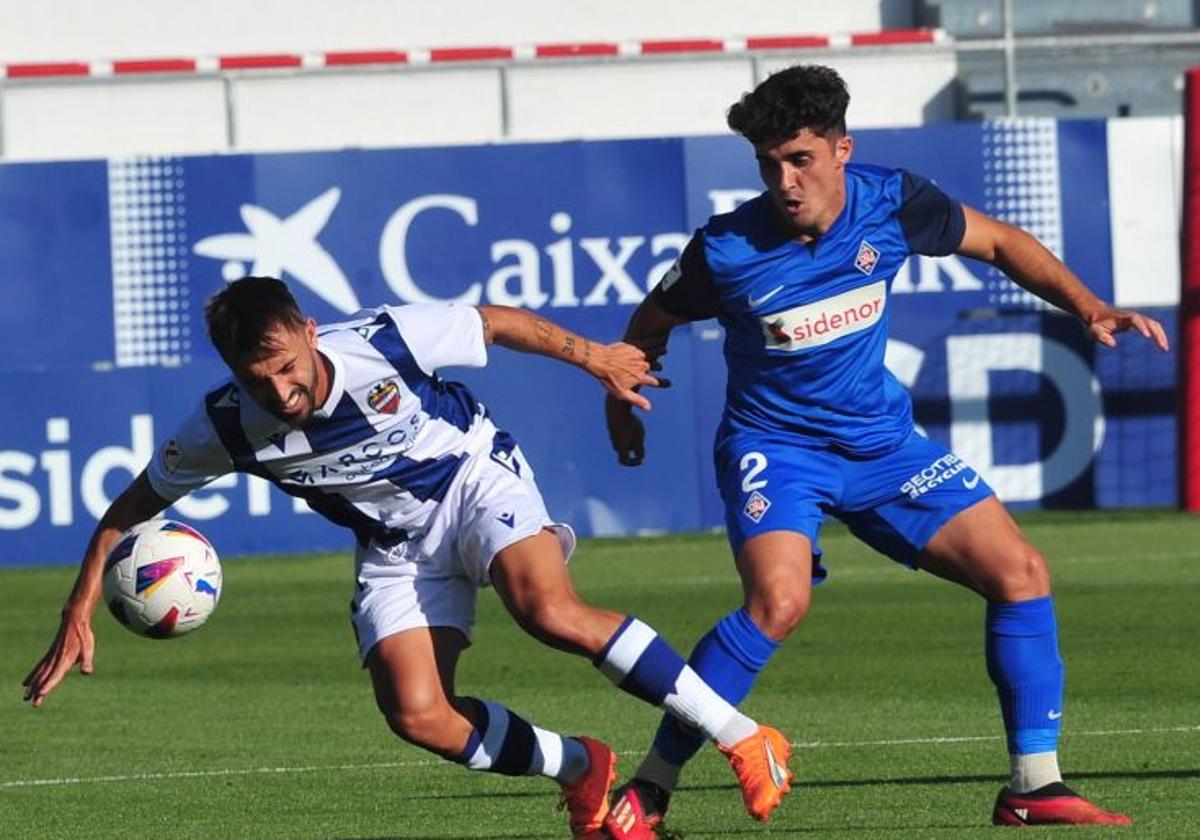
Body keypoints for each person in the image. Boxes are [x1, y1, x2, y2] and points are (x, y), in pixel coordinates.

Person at [603, 64, 1169, 836]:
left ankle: (1033, 787)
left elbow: (998, 241)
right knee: (778, 603)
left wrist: (1088, 306)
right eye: (769, 164)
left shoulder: (891, 202)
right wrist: (623, 400)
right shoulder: (727, 250)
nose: (784, 180)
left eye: (799, 159)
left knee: (1022, 573)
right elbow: (649, 324)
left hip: (883, 446)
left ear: (841, 149)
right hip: (778, 448)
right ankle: (651, 788)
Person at [22, 276, 795, 838]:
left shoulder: (383, 339)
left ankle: (741, 735)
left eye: (290, 367)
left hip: (470, 477)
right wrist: (78, 606)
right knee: (418, 714)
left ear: (309, 330)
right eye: (262, 382)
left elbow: (496, 324)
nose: (285, 392)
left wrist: (596, 358)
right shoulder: (220, 428)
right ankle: (580, 769)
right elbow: (129, 509)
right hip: (394, 546)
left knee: (546, 609)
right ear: (234, 374)